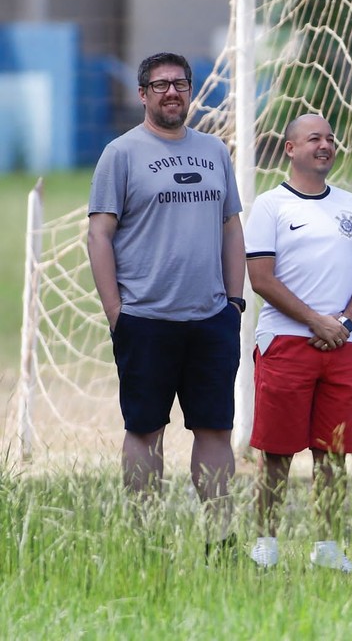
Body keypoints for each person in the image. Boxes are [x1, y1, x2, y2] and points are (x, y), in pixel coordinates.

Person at [87, 52, 245, 562]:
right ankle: (145, 540)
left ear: (191, 90)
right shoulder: (121, 153)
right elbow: (99, 235)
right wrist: (118, 315)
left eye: (179, 83)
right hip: (145, 319)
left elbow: (231, 228)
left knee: (216, 428)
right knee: (144, 430)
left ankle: (220, 540)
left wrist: (235, 302)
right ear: (143, 94)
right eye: (160, 85)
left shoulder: (215, 150)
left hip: (211, 318)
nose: (171, 92)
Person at [244, 113, 352, 573]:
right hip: (286, 340)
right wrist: (314, 321)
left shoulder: (351, 206)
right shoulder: (270, 205)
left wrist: (341, 322)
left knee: (334, 452)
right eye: (314, 138)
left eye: (330, 138)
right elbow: (261, 278)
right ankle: (266, 541)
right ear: (290, 148)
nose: (325, 145)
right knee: (277, 450)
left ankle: (329, 547)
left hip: (343, 342)